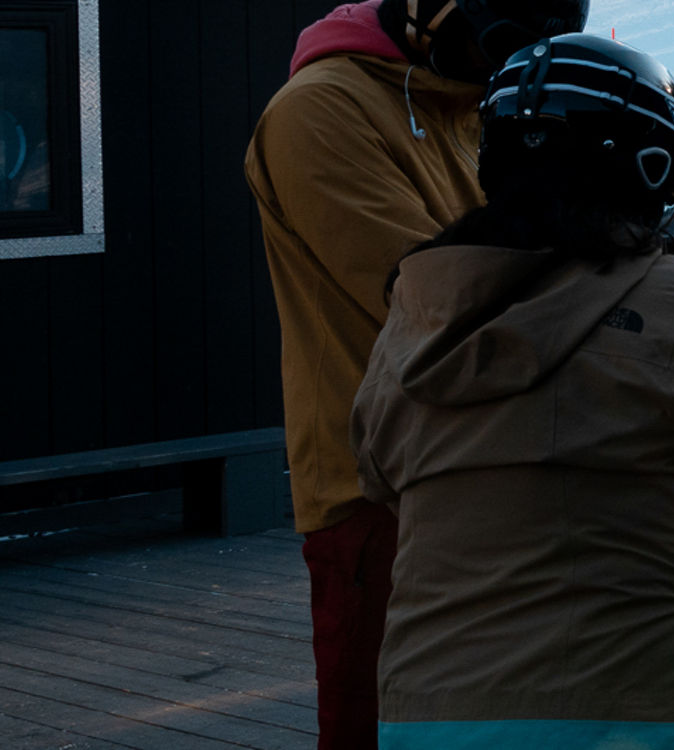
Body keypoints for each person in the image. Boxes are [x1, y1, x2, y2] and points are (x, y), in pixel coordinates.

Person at [349, 33, 674, 749]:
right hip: (635, 711)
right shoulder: (672, 298)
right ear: (643, 170)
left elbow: (376, 469)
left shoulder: (416, 313)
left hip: (423, 711)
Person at [242, 2, 584, 747]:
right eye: (499, 46)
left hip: (501, 477)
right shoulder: (318, 113)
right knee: (384, 726)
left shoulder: (469, 106)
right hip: (381, 495)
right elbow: (437, 297)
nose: (508, 70)